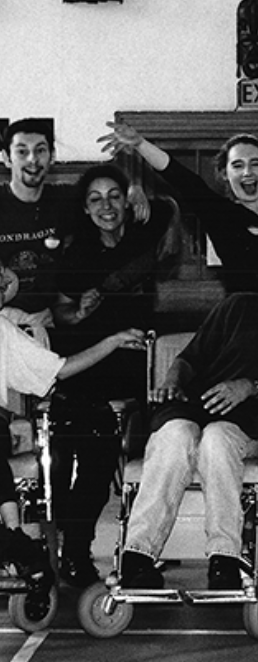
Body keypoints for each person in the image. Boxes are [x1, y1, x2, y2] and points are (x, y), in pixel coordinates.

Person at [119, 229, 258, 591]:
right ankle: (137, 555)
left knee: (217, 440)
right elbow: (190, 358)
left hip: (247, 426)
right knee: (176, 436)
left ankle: (224, 558)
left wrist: (249, 386)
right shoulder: (241, 305)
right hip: (190, 410)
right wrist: (172, 377)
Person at [49, 163, 175, 588]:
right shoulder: (77, 254)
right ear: (85, 209)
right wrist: (78, 311)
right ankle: (75, 553)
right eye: (95, 199)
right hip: (91, 370)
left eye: (114, 196)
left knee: (156, 451)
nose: (107, 206)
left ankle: (138, 552)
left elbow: (170, 205)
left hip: (140, 368)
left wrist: (140, 186)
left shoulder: (142, 233)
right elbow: (62, 315)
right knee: (95, 463)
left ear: (127, 201)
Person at [0, 262, 145, 584]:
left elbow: (60, 370)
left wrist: (112, 341)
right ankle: (12, 536)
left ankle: (26, 540)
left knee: (86, 431)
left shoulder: (4, 329)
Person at [98, 107, 258, 296]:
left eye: (255, 163)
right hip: (245, 324)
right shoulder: (221, 215)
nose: (247, 171)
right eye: (237, 165)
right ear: (225, 174)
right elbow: (183, 179)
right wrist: (139, 143)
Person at [0, 118, 148, 329]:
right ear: (6, 158)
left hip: (46, 320)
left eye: (40, 150)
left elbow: (108, 196)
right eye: (22, 152)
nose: (33, 159)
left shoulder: (66, 200)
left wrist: (134, 186)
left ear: (52, 156)